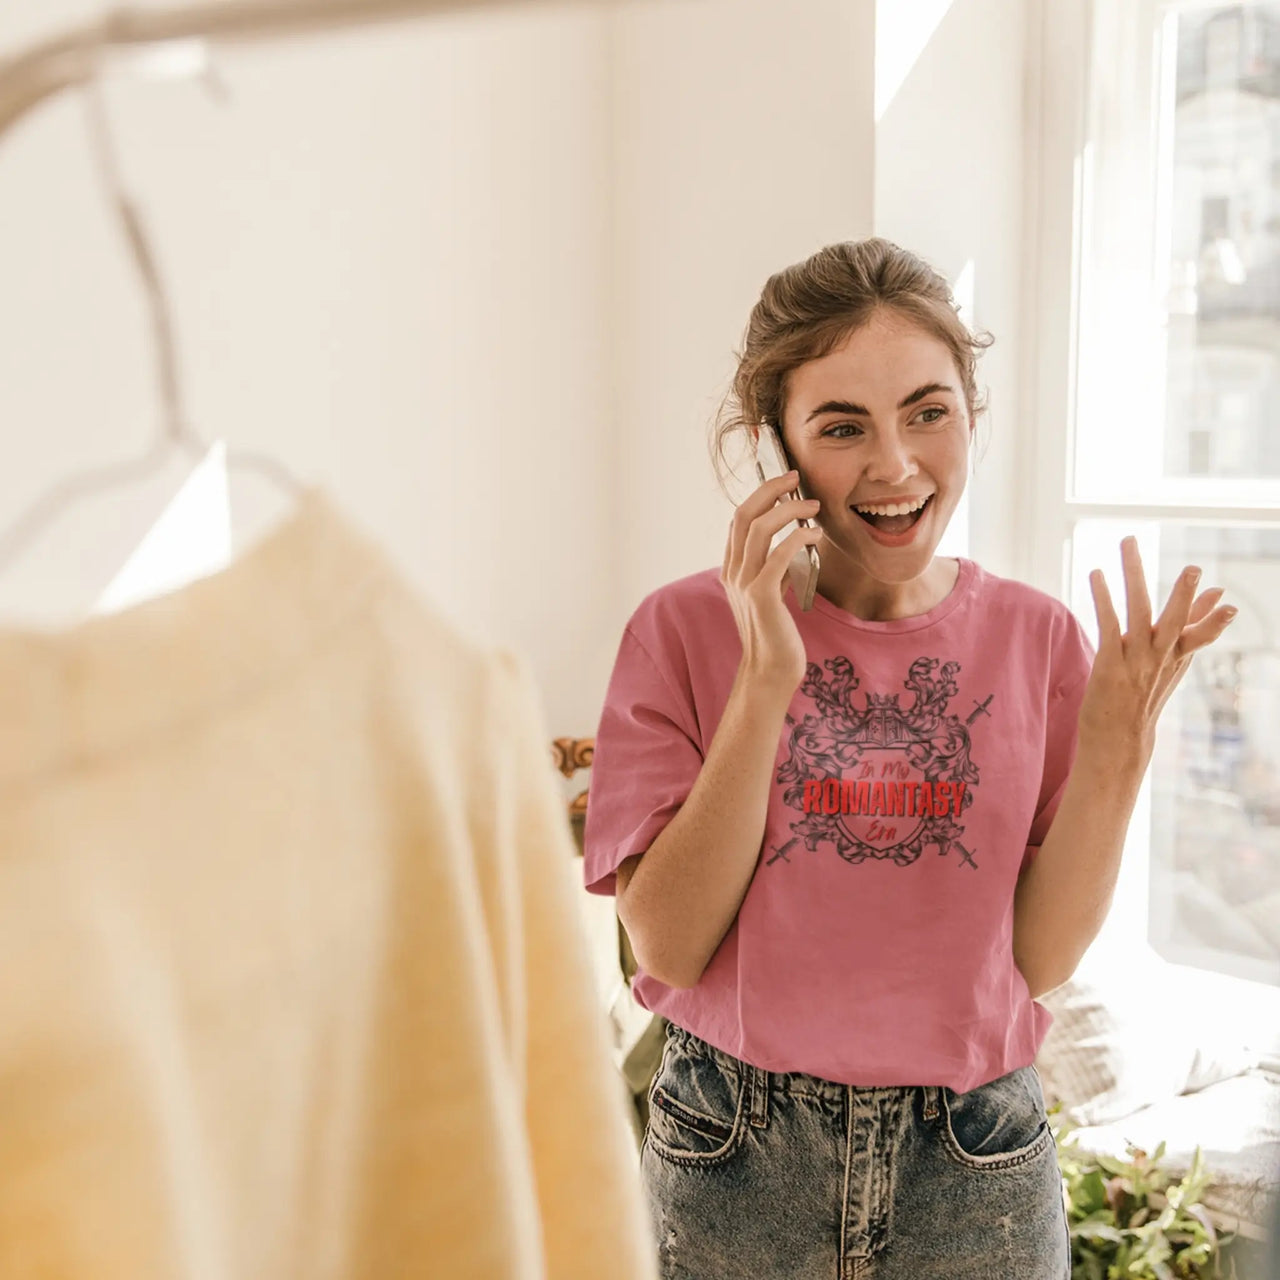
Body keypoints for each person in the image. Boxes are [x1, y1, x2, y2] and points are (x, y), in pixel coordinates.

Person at [581, 238, 1238, 1280]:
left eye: (926, 411)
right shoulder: (682, 632)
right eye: (841, 427)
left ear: (969, 415)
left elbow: (1040, 959)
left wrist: (1117, 741)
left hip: (974, 1161)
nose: (893, 464)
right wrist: (766, 677)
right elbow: (664, 941)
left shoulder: (1036, 639)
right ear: (775, 448)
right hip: (735, 1150)